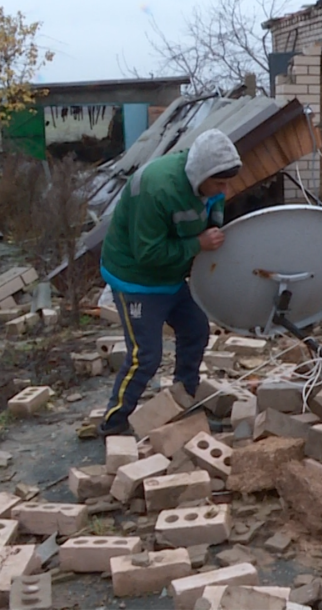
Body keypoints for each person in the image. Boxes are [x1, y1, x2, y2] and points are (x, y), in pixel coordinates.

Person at [97, 129, 242, 436]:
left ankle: (183, 401)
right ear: (201, 173)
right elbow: (147, 254)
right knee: (145, 355)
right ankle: (114, 422)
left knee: (195, 330)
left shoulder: (210, 186)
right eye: (220, 183)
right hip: (135, 278)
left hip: (172, 274)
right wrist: (196, 245)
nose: (225, 190)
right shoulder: (156, 188)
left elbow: (213, 217)